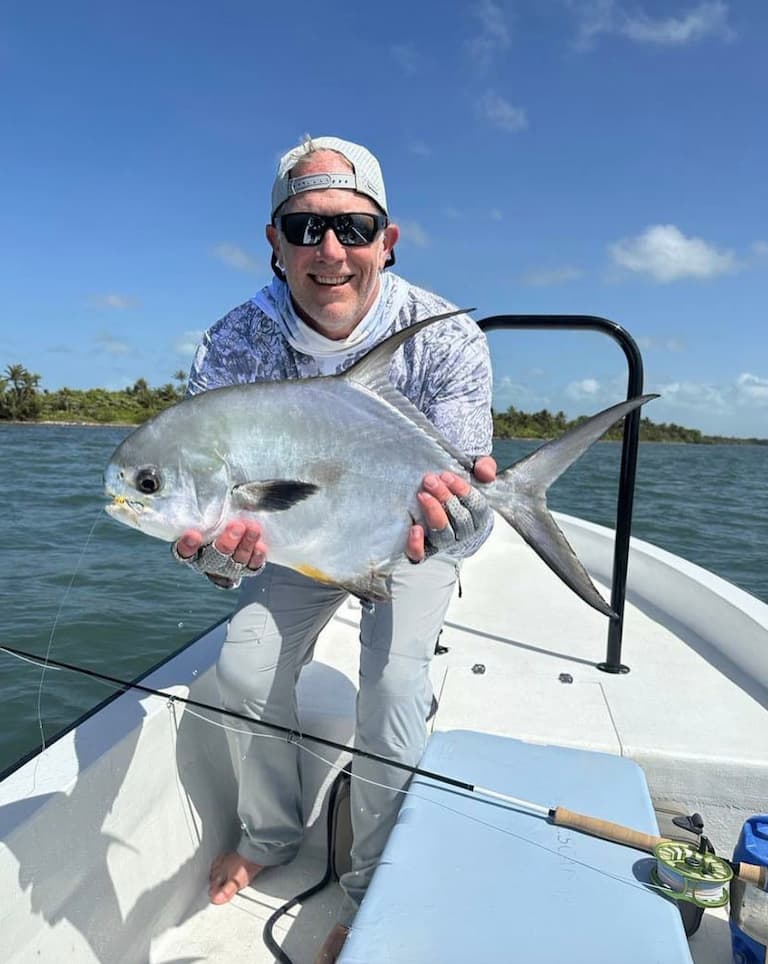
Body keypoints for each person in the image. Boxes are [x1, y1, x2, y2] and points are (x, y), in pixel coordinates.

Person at [173, 135, 497, 963]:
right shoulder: (233, 344)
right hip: (291, 545)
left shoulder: (446, 336)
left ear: (388, 240)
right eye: (305, 227)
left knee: (392, 691)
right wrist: (218, 556)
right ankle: (272, 834)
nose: (331, 252)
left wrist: (463, 515)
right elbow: (214, 514)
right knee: (243, 668)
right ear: (274, 243)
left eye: (354, 228)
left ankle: (371, 884)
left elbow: (463, 514)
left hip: (405, 545)